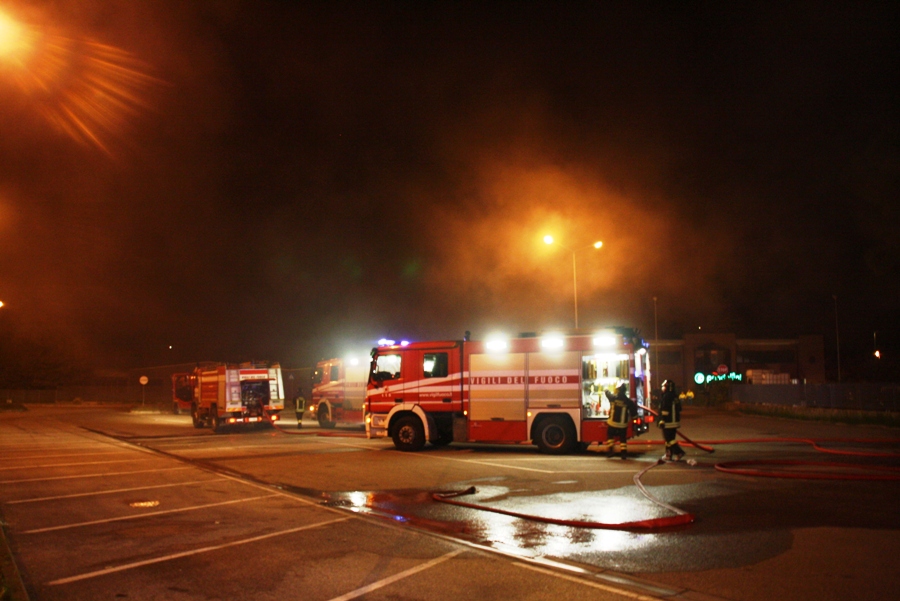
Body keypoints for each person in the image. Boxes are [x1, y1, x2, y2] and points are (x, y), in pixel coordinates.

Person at [604, 382, 637, 459]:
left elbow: (607, 394)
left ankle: (611, 451)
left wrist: (606, 388)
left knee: (610, 435)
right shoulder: (628, 401)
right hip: (623, 425)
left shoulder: (613, 398)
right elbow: (634, 412)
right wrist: (634, 418)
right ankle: (623, 454)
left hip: (612, 423)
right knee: (623, 439)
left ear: (618, 390)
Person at [659, 380, 686, 461]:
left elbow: (664, 410)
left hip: (668, 422)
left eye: (664, 386)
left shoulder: (666, 396)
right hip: (675, 423)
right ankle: (668, 454)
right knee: (670, 439)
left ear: (668, 387)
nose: (663, 388)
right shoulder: (675, 396)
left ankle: (679, 452)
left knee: (669, 440)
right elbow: (679, 408)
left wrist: (662, 420)